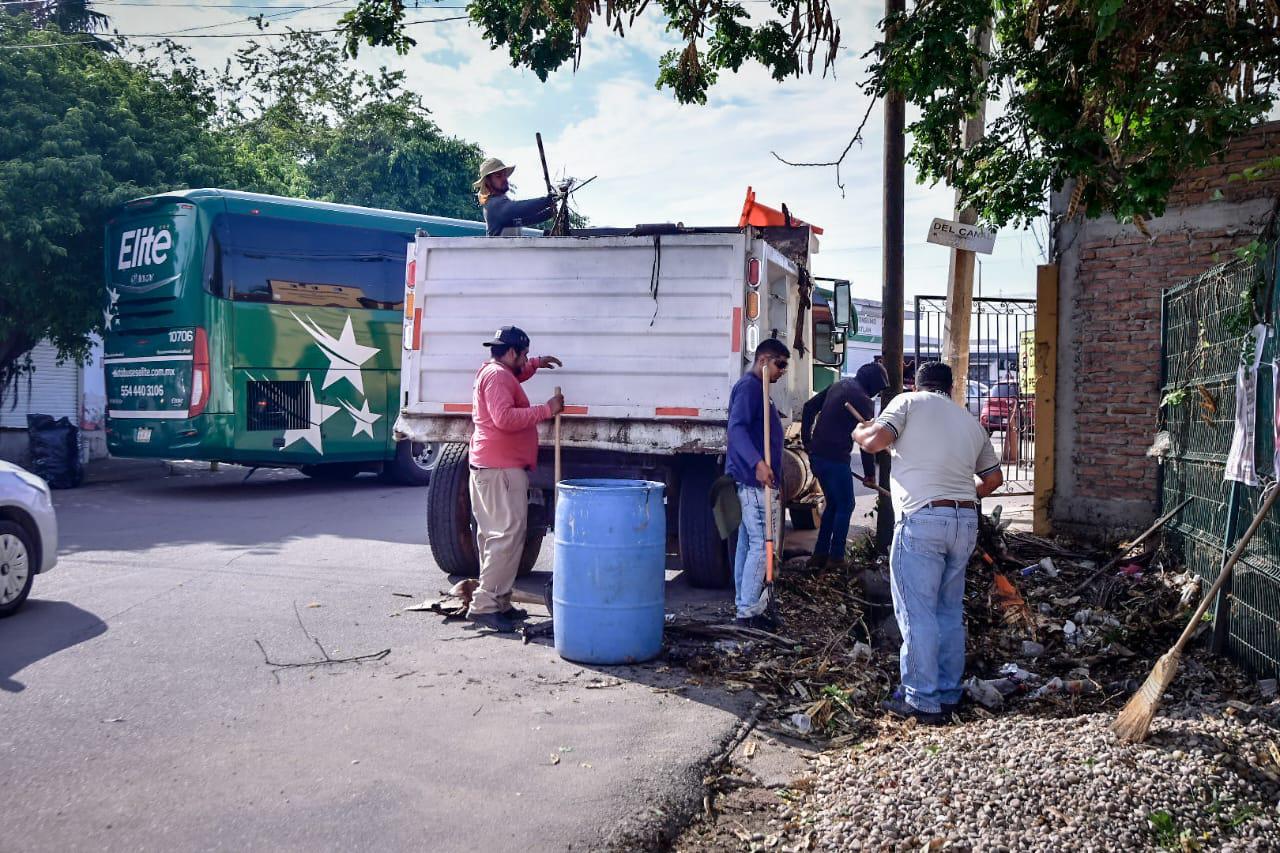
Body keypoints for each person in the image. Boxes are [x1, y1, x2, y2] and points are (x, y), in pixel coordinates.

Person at [853, 361, 1003, 724]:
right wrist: (960, 494)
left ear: (917, 385)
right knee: (948, 610)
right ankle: (949, 693)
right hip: (965, 519)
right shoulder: (970, 421)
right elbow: (993, 480)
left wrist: (860, 432)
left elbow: (875, 442)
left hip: (922, 519)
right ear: (950, 389)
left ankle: (921, 699)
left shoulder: (908, 403)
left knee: (917, 612)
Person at [467, 325, 564, 632]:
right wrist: (546, 410)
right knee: (506, 536)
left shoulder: (498, 372)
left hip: (493, 467)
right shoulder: (497, 376)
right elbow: (504, 418)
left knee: (496, 537)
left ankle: (499, 602)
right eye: (522, 354)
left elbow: (515, 378)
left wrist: (535, 363)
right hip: (499, 469)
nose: (525, 360)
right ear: (510, 352)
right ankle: (485, 605)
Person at [800, 361, 890, 570]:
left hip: (818, 456)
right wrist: (870, 475)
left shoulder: (840, 385)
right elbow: (866, 442)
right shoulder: (863, 400)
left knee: (833, 505)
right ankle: (836, 557)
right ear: (873, 383)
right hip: (835, 460)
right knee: (846, 505)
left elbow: (809, 407)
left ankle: (820, 555)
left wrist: (807, 442)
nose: (877, 393)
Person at [726, 338, 790, 629]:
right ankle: (749, 611)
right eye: (780, 364)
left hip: (756, 480)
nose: (783, 371)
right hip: (753, 482)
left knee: (746, 543)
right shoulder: (749, 388)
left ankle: (744, 602)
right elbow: (736, 429)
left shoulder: (761, 389)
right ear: (764, 360)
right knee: (759, 543)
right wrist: (758, 463)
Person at [474, 157, 557, 236]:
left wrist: (549, 213)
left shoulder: (502, 204)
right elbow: (519, 209)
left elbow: (525, 220)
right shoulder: (494, 205)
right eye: (498, 176)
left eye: (504, 175)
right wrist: (546, 201)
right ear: (488, 182)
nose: (504, 179)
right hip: (501, 251)